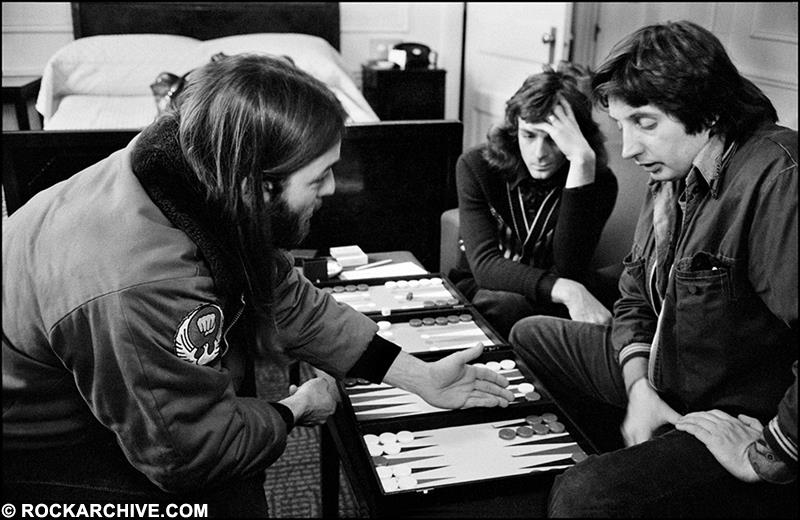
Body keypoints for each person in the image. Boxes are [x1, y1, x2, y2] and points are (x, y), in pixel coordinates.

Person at [1, 54, 515, 517]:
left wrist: (416, 375)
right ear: (257, 185)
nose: (332, 189)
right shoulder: (142, 282)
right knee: (228, 495)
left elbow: (287, 299)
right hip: (37, 440)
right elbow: (188, 455)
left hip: (89, 371)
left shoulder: (197, 168)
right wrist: (293, 409)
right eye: (319, 177)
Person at [510, 21, 797, 517]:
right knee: (529, 334)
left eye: (645, 123)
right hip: (668, 374)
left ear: (708, 112)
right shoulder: (673, 170)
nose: (628, 149)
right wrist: (638, 384)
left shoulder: (778, 178)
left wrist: (769, 453)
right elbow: (636, 296)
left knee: (585, 497)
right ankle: (627, 456)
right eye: (622, 126)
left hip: (728, 412)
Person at [451, 62, 619, 339]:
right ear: (514, 128)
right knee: (507, 305)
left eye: (553, 139)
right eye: (528, 135)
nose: (539, 153)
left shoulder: (598, 182)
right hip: (487, 289)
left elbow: (570, 267)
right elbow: (484, 265)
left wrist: (580, 163)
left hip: (551, 295)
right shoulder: (475, 166)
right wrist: (568, 290)